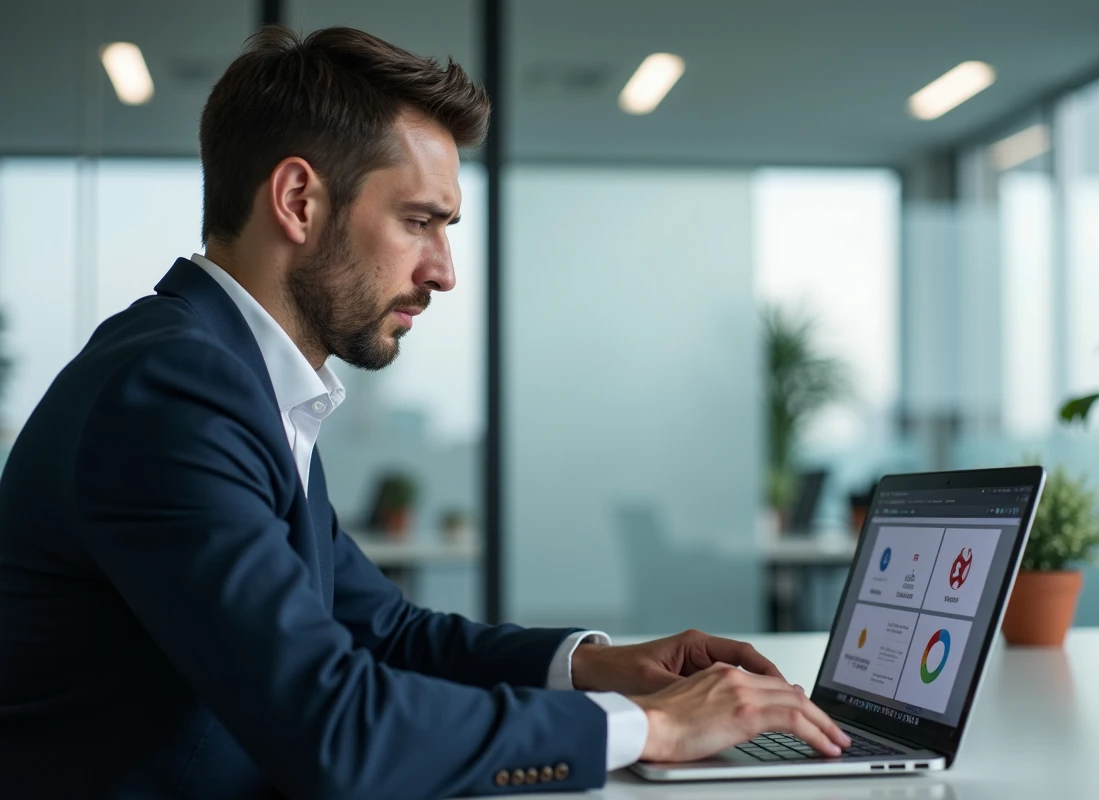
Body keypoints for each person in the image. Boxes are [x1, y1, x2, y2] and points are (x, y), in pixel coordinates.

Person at [0, 26, 849, 799]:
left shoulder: (234, 375)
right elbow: (335, 730)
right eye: (419, 222)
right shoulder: (176, 391)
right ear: (299, 200)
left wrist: (600, 668)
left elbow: (384, 631)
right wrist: (656, 727)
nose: (444, 271)